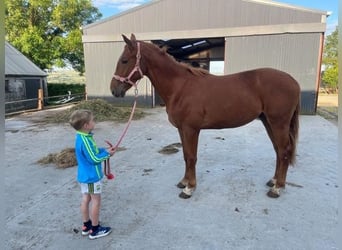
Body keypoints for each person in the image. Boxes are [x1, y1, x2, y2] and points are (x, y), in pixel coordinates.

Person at [69, 109, 116, 240]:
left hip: (84, 176)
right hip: (91, 177)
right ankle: (95, 229)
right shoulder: (85, 140)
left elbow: (93, 151)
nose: (94, 122)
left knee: (86, 199)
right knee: (96, 201)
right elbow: (94, 159)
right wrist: (107, 154)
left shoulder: (82, 136)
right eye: (93, 120)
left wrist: (104, 150)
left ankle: (86, 225)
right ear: (86, 125)